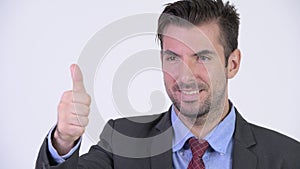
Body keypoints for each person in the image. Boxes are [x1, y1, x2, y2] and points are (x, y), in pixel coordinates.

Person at [35, 0, 300, 168]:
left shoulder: (288, 157)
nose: (185, 76)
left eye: (202, 57)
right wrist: (63, 141)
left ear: (232, 63)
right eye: (173, 57)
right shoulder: (121, 141)